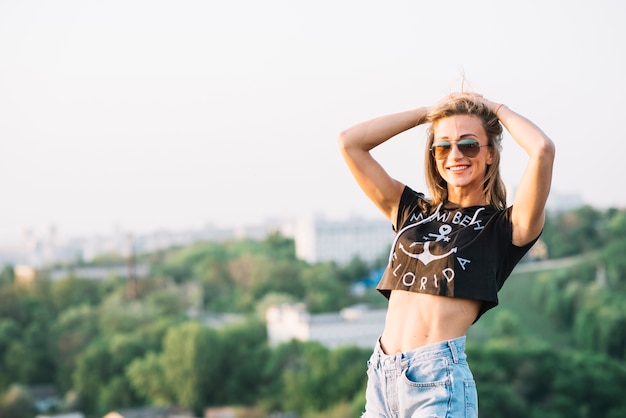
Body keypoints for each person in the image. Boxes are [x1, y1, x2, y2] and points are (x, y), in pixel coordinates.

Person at [337, 92, 555, 417]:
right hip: (382, 376)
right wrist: (429, 113)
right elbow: (349, 143)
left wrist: (495, 109)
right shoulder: (411, 210)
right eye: (443, 146)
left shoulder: (503, 228)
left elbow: (542, 149)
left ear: (491, 154)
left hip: (437, 382)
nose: (455, 154)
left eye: (468, 144)